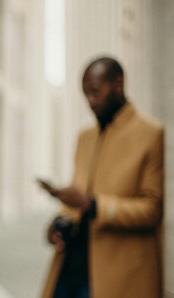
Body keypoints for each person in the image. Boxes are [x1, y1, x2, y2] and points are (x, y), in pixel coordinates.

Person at [40, 57, 164, 298]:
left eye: (95, 91)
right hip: (69, 267)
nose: (90, 101)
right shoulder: (85, 137)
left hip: (117, 274)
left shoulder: (151, 134)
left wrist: (92, 204)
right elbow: (74, 199)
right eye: (85, 93)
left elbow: (152, 210)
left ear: (118, 83)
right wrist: (55, 225)